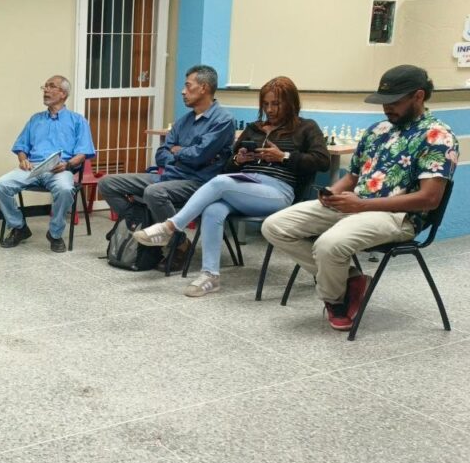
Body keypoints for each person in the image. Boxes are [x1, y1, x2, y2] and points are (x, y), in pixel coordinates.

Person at [262, 65, 458, 331]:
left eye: (394, 102)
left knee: (329, 244)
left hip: (398, 216)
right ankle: (352, 280)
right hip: (355, 205)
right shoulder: (378, 131)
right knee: (275, 226)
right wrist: (333, 193)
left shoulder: (438, 137)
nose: (387, 108)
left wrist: (361, 204)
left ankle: (335, 299)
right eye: (383, 102)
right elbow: (352, 178)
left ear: (419, 96)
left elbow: (429, 199)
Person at [134, 76, 328, 296]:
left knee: (220, 183)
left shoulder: (306, 127)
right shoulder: (254, 128)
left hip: (277, 191)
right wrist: (239, 160)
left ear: (291, 103)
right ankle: (210, 276)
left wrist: (283, 156)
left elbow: (322, 161)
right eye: (265, 104)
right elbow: (227, 165)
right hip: (243, 185)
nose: (270, 109)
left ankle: (170, 227)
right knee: (212, 209)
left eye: (276, 104)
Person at [98, 64, 235, 271]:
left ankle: (178, 245)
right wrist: (181, 155)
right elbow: (161, 154)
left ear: (204, 88)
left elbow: (199, 156)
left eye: (188, 86)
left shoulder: (223, 120)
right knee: (107, 183)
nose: (183, 91)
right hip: (169, 176)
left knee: (154, 192)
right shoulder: (183, 121)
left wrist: (178, 152)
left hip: (199, 183)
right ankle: (143, 224)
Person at [0, 75, 96, 253]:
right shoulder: (35, 119)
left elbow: (83, 153)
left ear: (63, 94)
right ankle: (19, 227)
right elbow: (21, 147)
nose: (46, 90)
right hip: (33, 167)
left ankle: (55, 234)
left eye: (51, 86)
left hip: (60, 169)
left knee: (65, 189)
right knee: (0, 185)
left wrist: (68, 165)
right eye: (45, 87)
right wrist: (23, 159)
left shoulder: (78, 120)